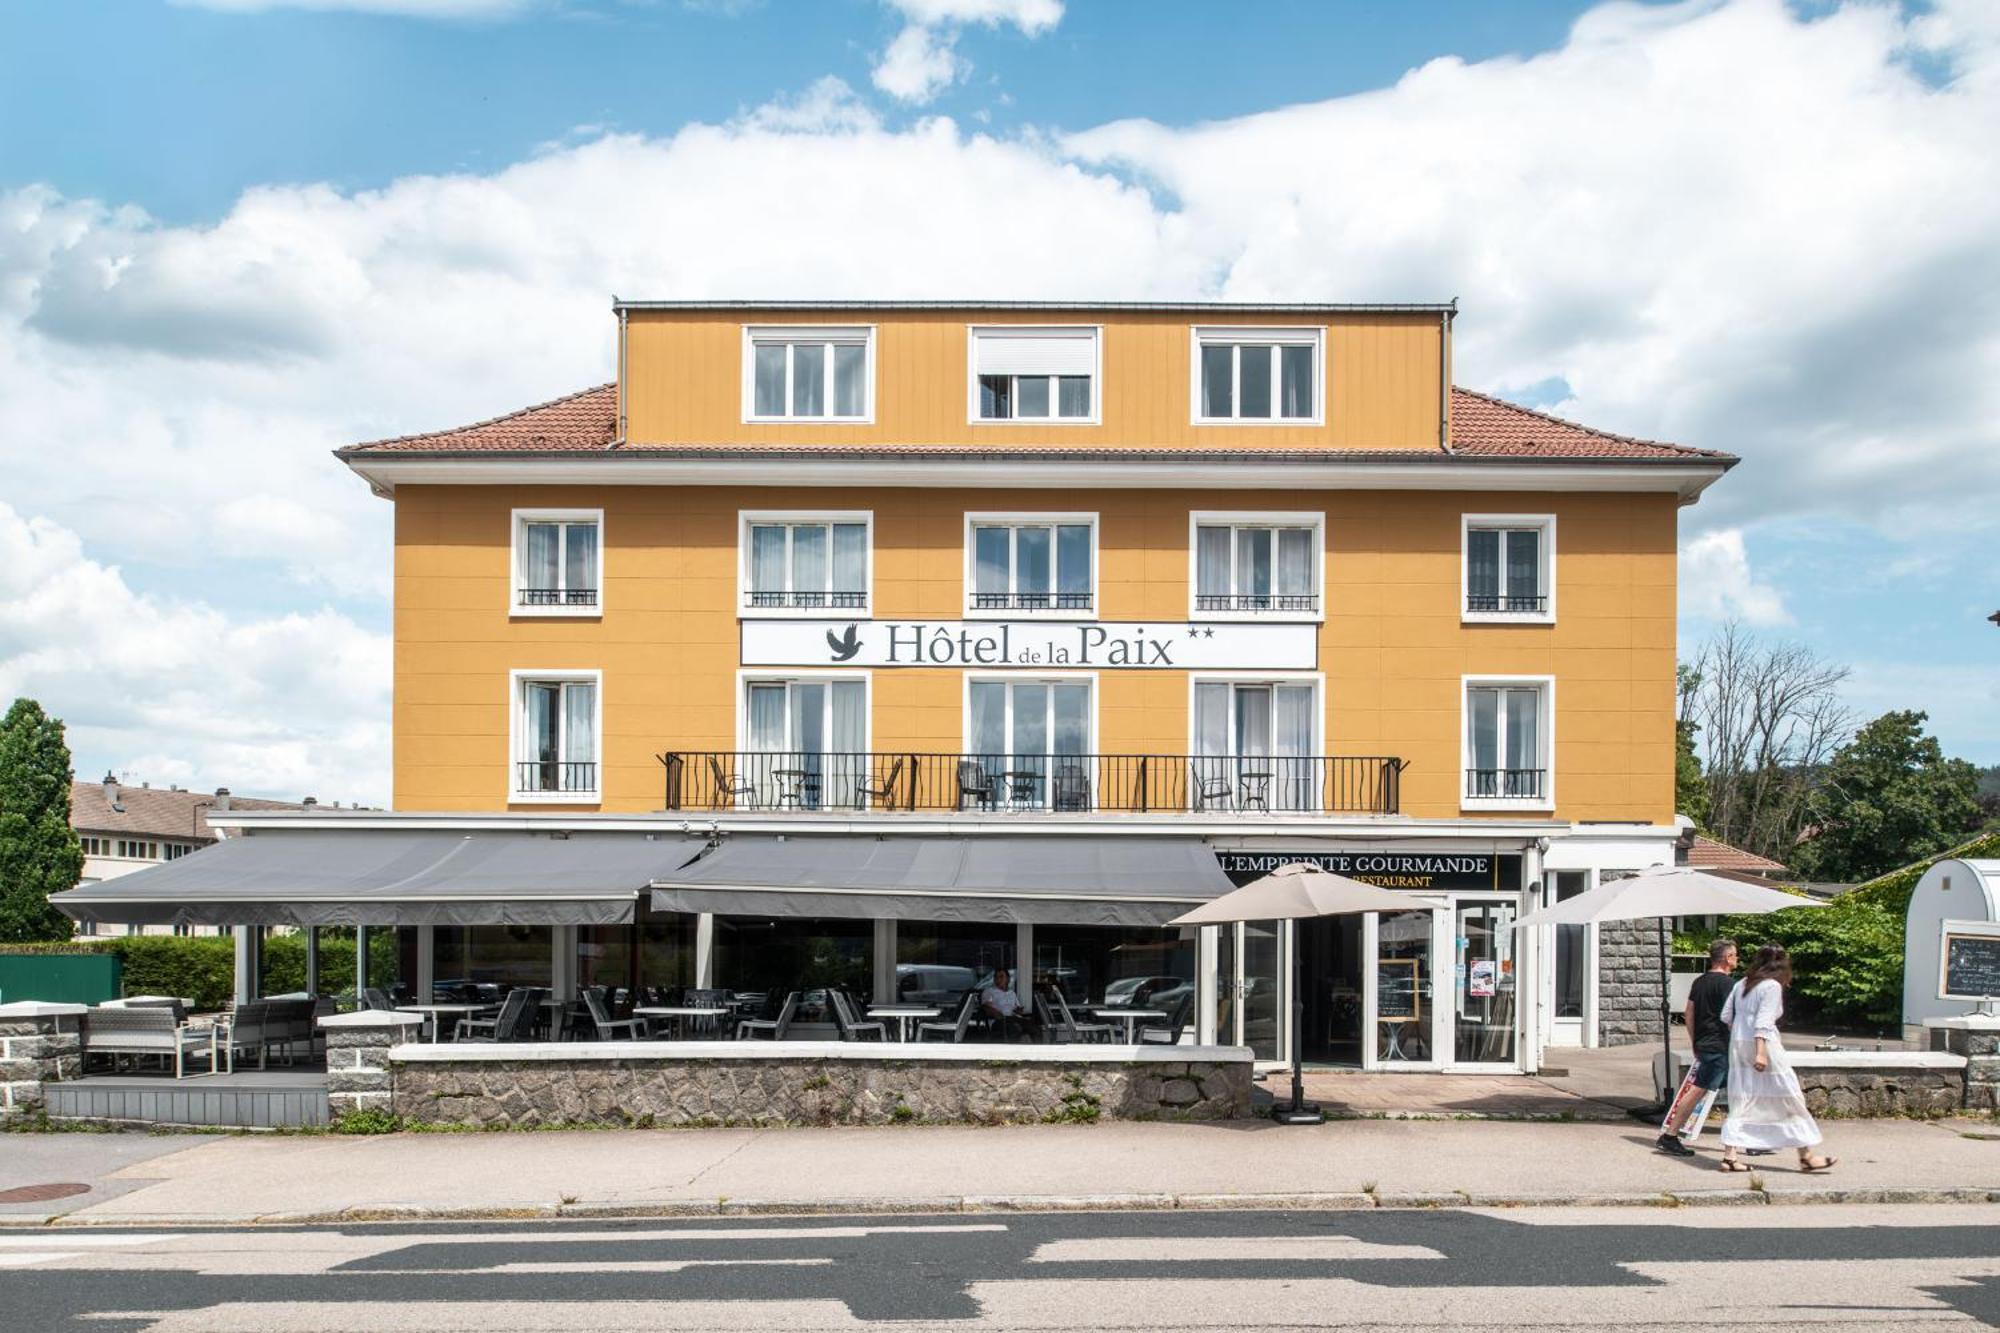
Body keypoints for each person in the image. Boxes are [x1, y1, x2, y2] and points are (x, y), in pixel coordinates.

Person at [1718, 944, 1836, 1174]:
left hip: (1739, 1046)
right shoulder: (1771, 986)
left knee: (1741, 1098)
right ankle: (1806, 1156)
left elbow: (1726, 1016)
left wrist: (1742, 1034)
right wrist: (1760, 1051)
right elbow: (1764, 1021)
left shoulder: (1741, 984)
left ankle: (1730, 1156)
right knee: (1789, 1096)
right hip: (1765, 1046)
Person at [1657, 938, 1737, 1157]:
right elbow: (1733, 1017)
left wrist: (1695, 1042)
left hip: (1705, 1043)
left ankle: (1747, 1140)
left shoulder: (1700, 981)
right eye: (1735, 955)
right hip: (1719, 1045)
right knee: (1699, 1090)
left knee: (1739, 1091)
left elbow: (1688, 1013)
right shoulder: (1728, 985)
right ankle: (1670, 1136)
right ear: (1728, 958)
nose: (1737, 959)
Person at [980, 968, 1040, 1042]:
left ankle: (1037, 1050)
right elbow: (986, 1007)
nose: (998, 979)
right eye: (996, 977)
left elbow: (1017, 1008)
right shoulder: (989, 991)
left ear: (1008, 979)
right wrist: (995, 1012)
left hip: (1013, 1018)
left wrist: (1018, 1010)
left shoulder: (1012, 993)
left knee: (1034, 1028)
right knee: (1015, 1028)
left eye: (1001, 976)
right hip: (999, 1020)